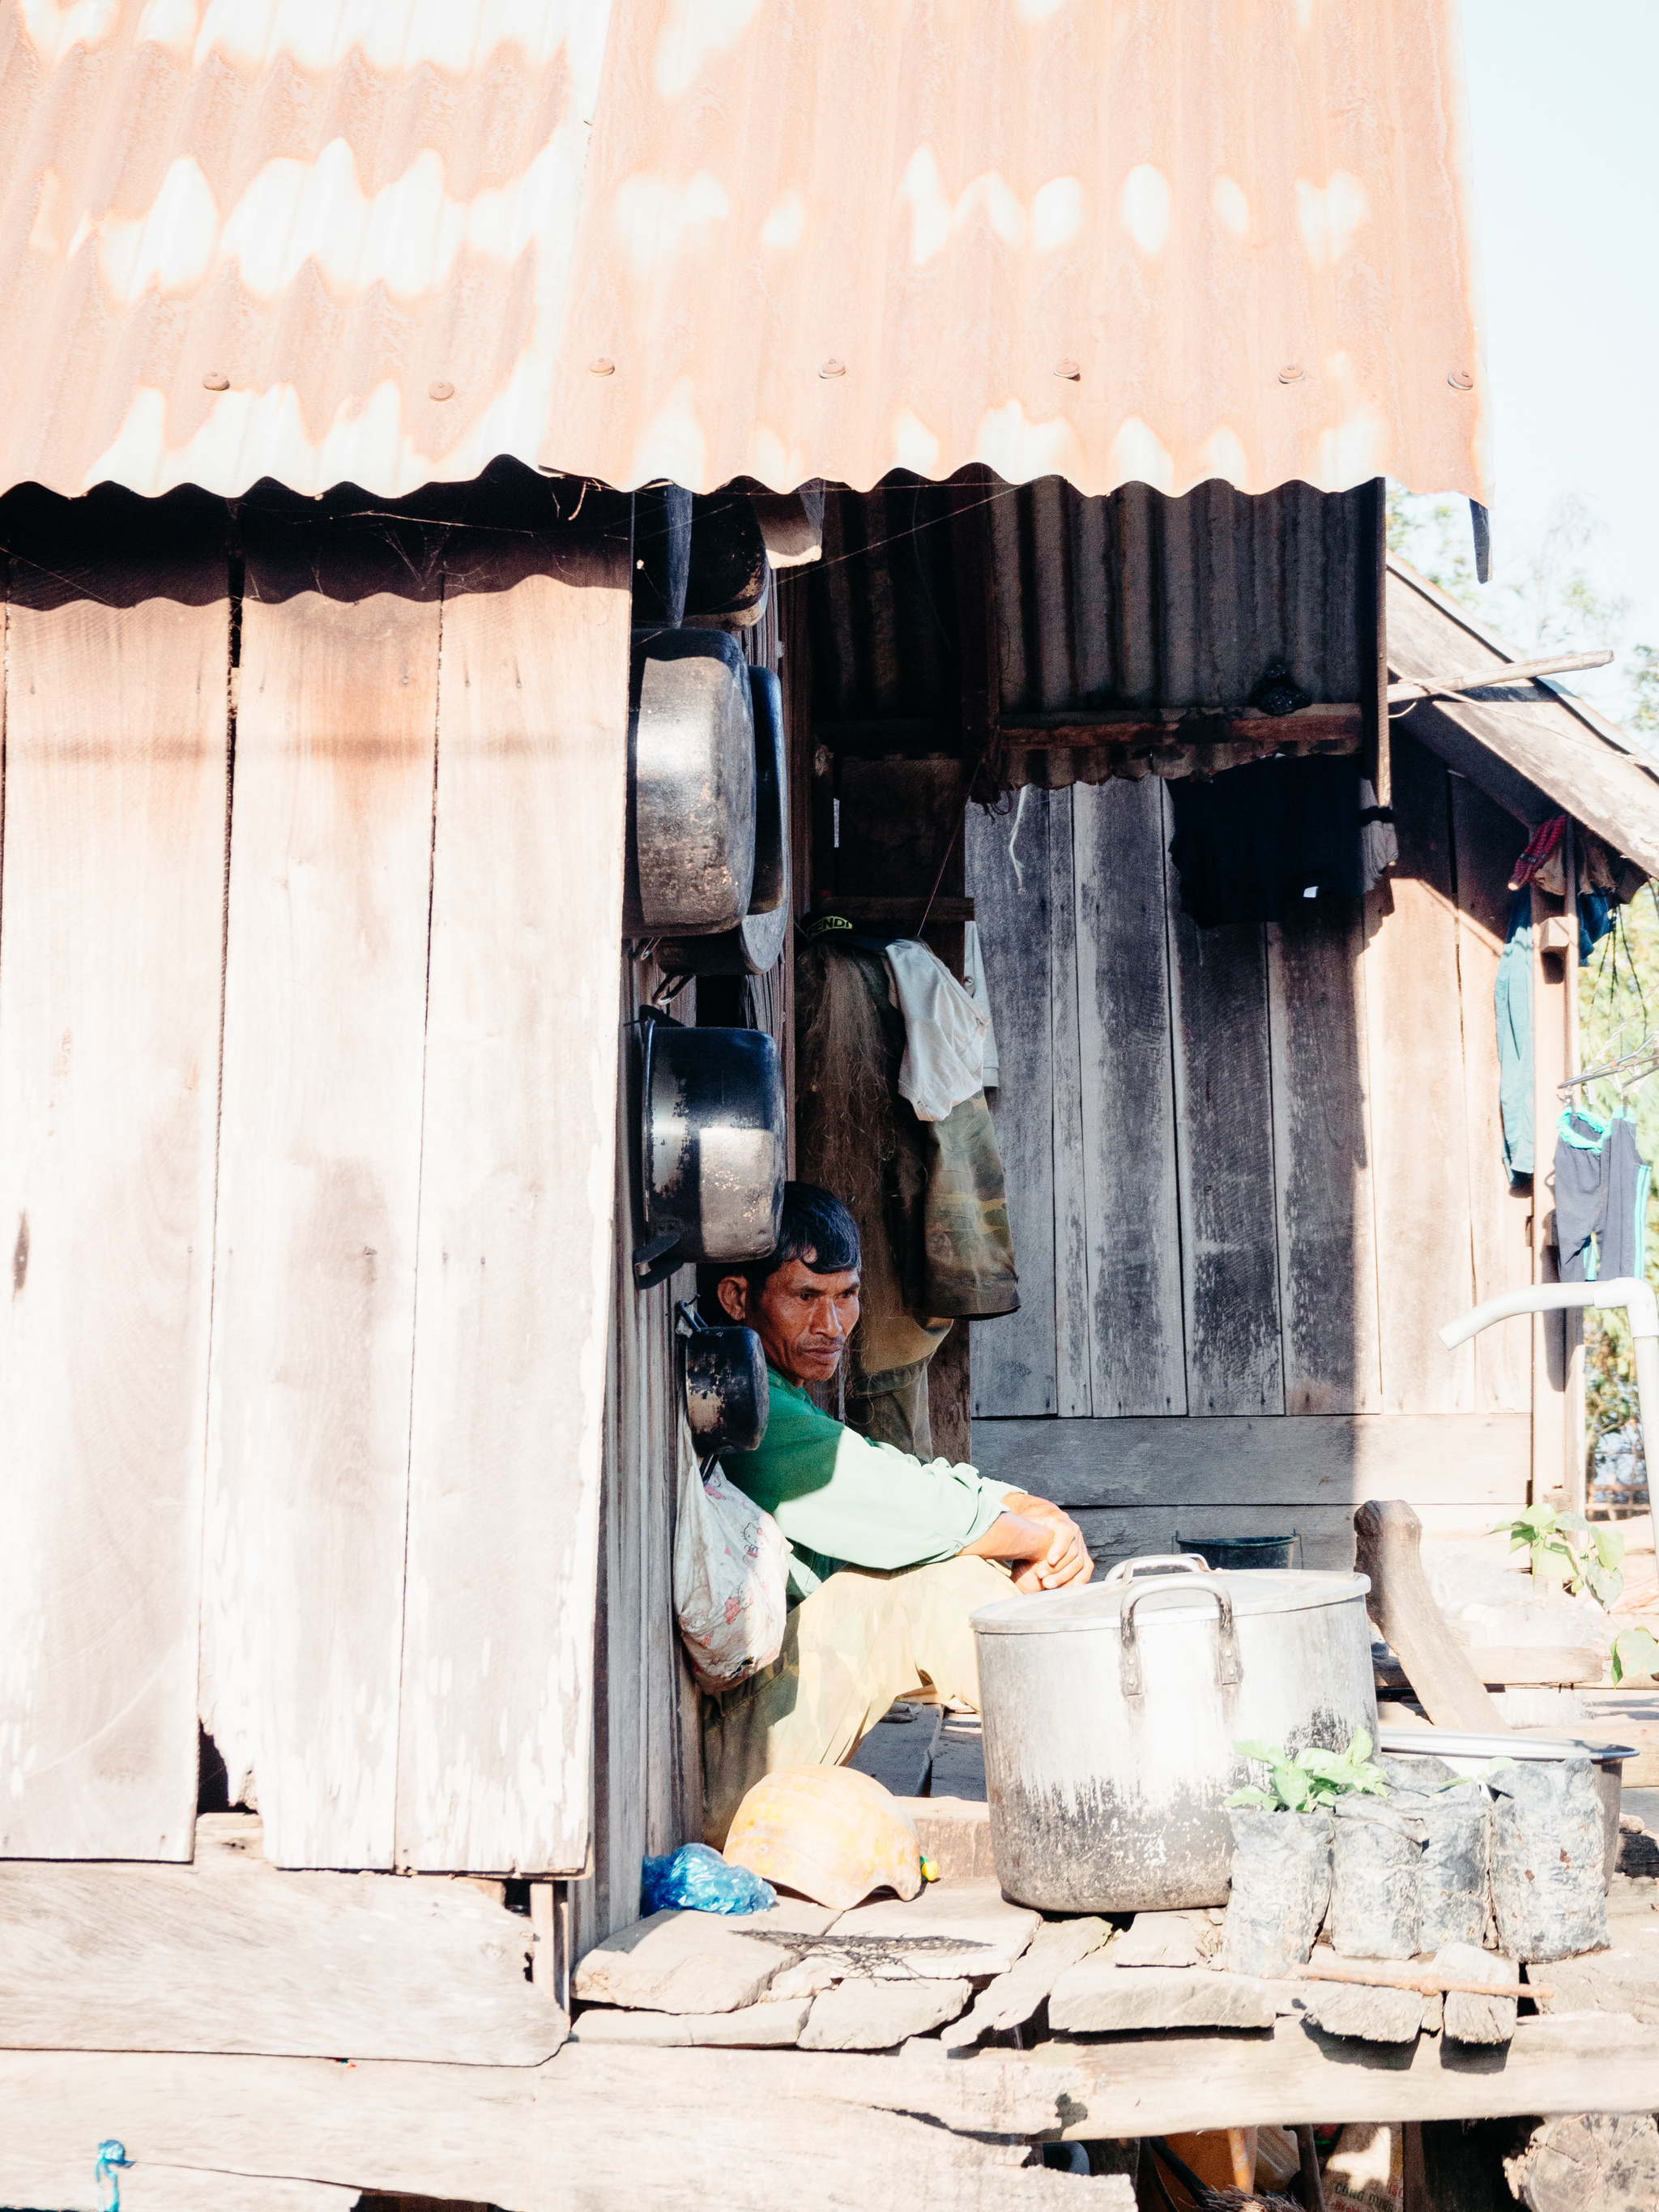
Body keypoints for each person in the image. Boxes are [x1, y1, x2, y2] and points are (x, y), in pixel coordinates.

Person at [699, 1181, 1093, 1843]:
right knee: (933, 1591)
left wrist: (1026, 1512)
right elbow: (896, 1502)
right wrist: (1036, 1540)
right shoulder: (744, 1409)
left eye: (847, 1297)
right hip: (716, 1771)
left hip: (749, 1732)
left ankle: (1100, 1774)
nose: (832, 1327)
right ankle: (1109, 1781)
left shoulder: (775, 1386)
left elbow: (896, 1475)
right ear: (739, 1298)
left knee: (952, 1569)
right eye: (805, 1298)